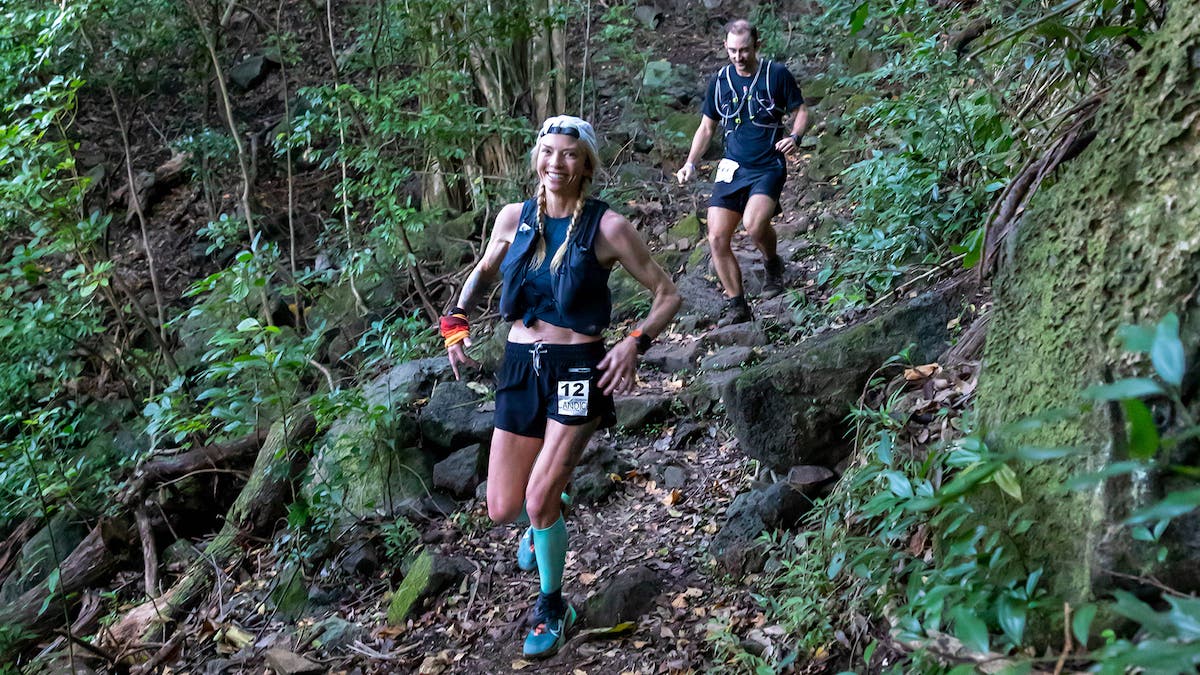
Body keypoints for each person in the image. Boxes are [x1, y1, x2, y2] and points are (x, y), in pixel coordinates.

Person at [440, 115, 680, 659]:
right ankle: (548, 507)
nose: (557, 162)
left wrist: (634, 342)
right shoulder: (513, 217)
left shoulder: (608, 227)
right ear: (537, 159)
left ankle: (553, 605)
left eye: (570, 153)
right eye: (548, 152)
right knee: (502, 508)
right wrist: (456, 320)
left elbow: (668, 294)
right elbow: (483, 271)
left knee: (538, 499)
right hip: (519, 365)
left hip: (577, 368)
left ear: (586, 164)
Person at [676, 19, 808, 326]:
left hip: (767, 165)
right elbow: (706, 127)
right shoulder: (720, 81)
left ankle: (772, 263)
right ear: (725, 47)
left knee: (753, 225)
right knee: (716, 237)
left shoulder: (776, 74)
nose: (739, 57)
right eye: (733, 50)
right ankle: (737, 304)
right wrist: (690, 163)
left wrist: (795, 136)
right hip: (732, 168)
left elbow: (800, 110)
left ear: (757, 46)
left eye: (745, 50)